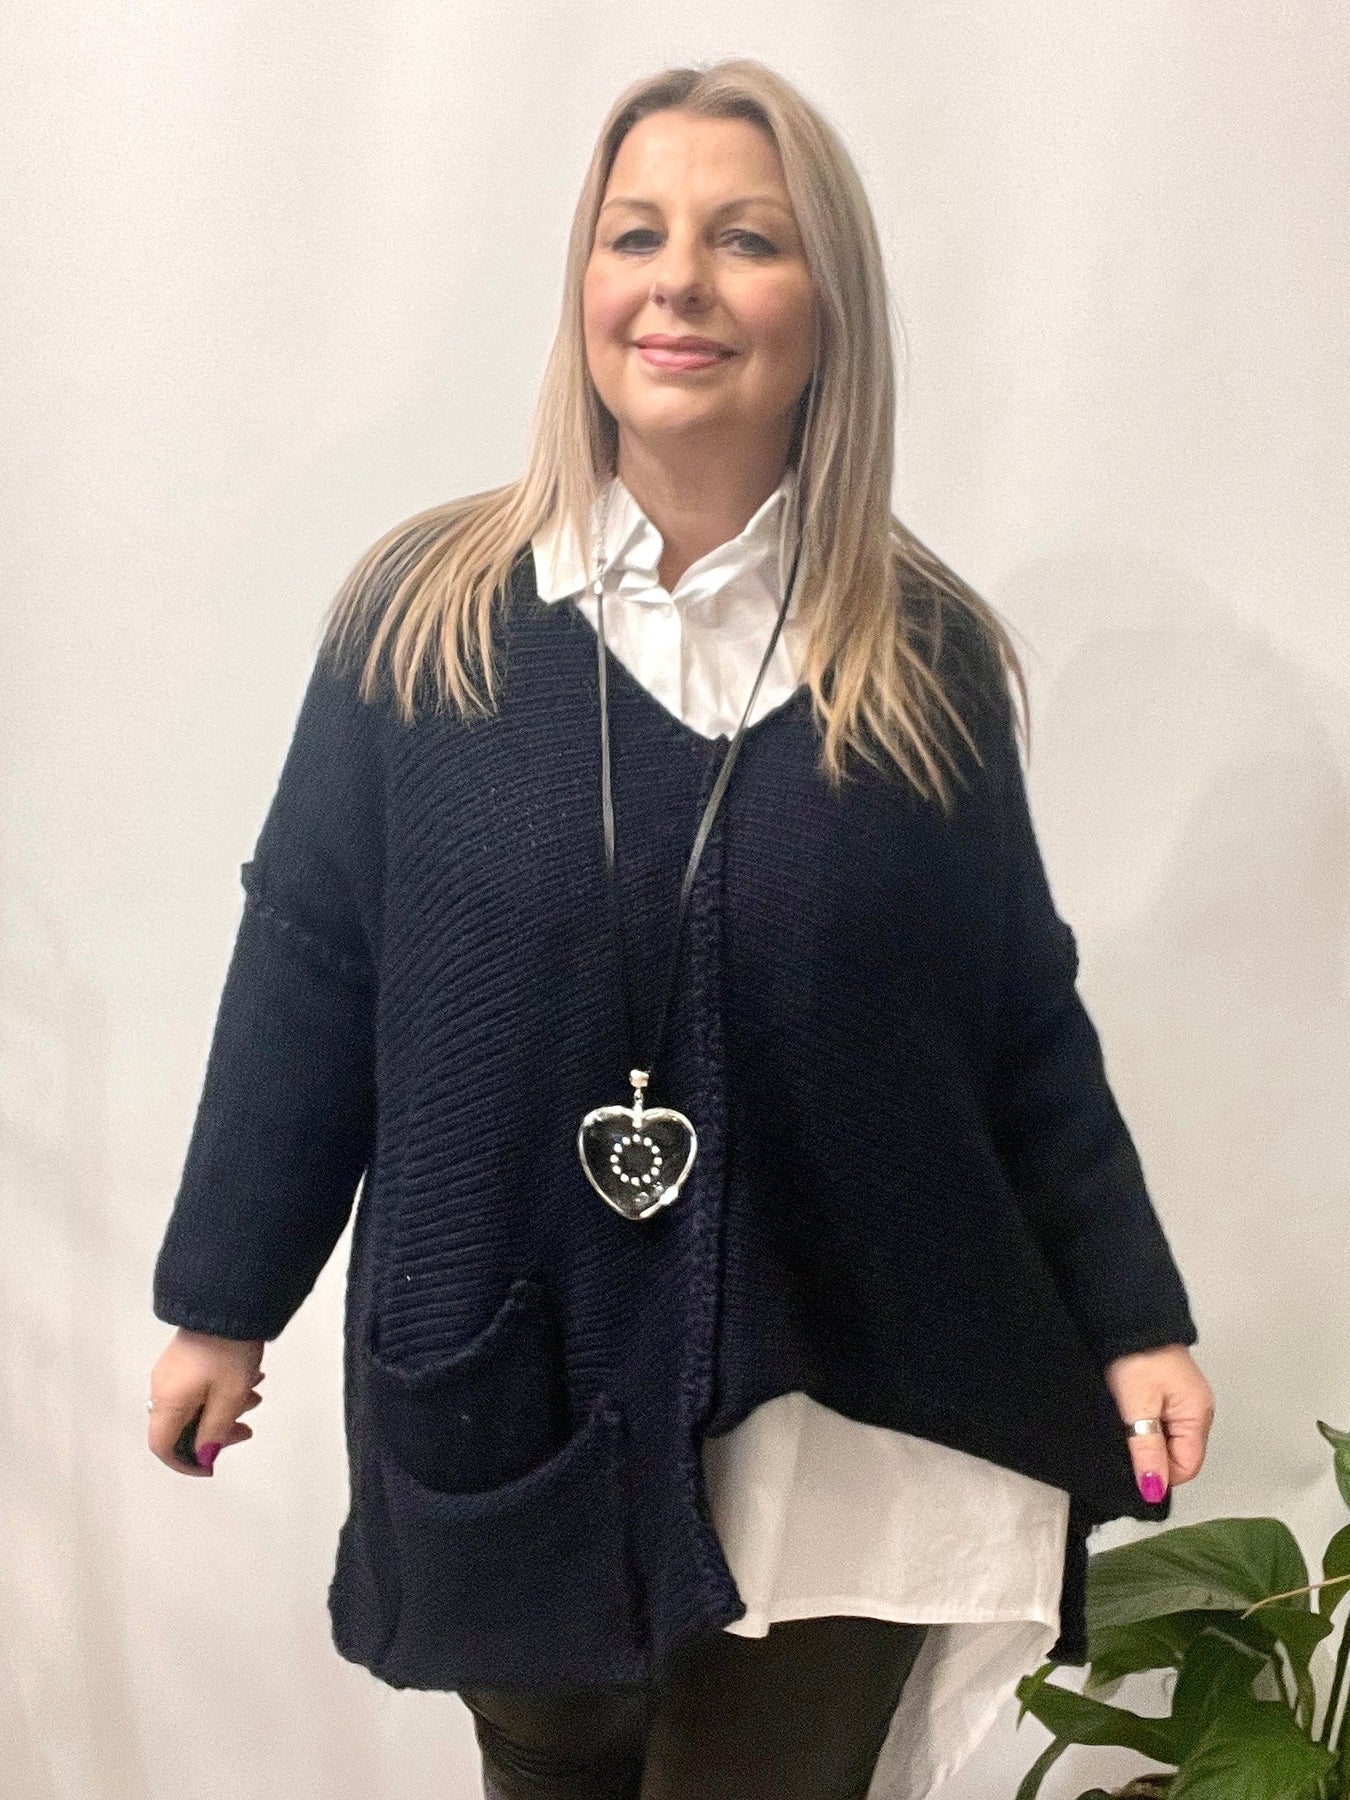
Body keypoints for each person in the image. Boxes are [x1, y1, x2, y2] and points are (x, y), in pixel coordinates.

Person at [146, 57, 1215, 1800]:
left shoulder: (919, 656)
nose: (679, 283)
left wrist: (1130, 1318)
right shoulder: (425, 626)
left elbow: (1020, 1022)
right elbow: (310, 976)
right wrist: (222, 1303)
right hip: (517, 1374)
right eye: (634, 234)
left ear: (826, 304)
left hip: (856, 1407)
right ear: (582, 281)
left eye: (746, 240)